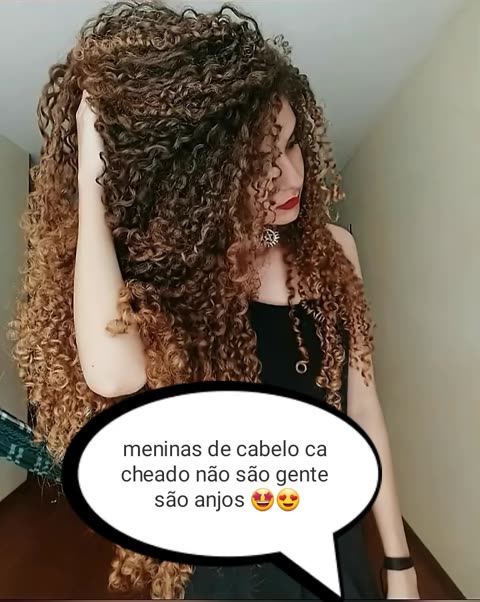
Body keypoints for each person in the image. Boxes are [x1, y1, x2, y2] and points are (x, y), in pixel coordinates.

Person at [10, 0, 419, 598]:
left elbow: (363, 407)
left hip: (327, 541)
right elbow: (113, 374)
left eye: (292, 145)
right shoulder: (179, 279)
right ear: (207, 180)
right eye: (259, 165)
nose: (292, 177)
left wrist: (401, 566)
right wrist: (93, 183)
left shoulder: (334, 250)